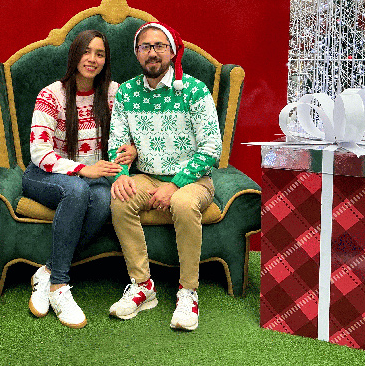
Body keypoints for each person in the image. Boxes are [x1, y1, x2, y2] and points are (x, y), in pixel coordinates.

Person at [107, 22, 222, 331]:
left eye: (159, 46)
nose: (152, 52)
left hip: (193, 180)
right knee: (120, 198)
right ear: (137, 53)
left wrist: (175, 184)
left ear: (172, 52)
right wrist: (121, 174)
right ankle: (142, 286)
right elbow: (117, 142)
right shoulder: (127, 92)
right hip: (146, 175)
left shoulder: (194, 90)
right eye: (145, 47)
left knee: (183, 203)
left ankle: (188, 292)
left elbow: (212, 148)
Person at [22, 29, 136, 328]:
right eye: (86, 51)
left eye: (100, 54)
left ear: (106, 60)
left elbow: (129, 133)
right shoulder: (52, 95)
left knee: (102, 197)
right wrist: (82, 169)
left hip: (91, 179)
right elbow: (39, 152)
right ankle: (60, 286)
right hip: (44, 174)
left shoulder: (113, 93)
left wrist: (132, 149)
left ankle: (47, 273)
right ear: (75, 54)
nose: (92, 59)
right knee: (77, 190)